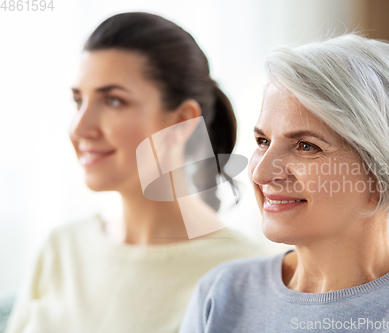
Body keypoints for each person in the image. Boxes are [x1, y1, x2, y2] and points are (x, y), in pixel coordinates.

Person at [178, 34, 389, 333]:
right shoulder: (221, 295)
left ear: (381, 173)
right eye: (262, 141)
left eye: (305, 146)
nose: (260, 174)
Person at [6, 12, 267, 333]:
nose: (80, 128)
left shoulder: (247, 275)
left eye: (113, 101)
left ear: (181, 121)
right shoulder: (61, 250)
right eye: (78, 100)